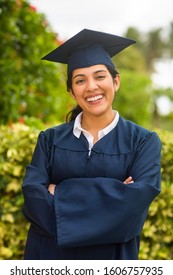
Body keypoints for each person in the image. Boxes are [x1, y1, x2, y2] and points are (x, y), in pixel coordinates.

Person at [22, 29, 161, 260]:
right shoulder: (49, 140)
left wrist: (59, 191)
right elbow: (34, 201)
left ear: (115, 82)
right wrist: (115, 193)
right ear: (71, 91)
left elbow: (132, 209)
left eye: (99, 76)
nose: (91, 87)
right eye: (80, 80)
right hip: (50, 261)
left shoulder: (143, 141)